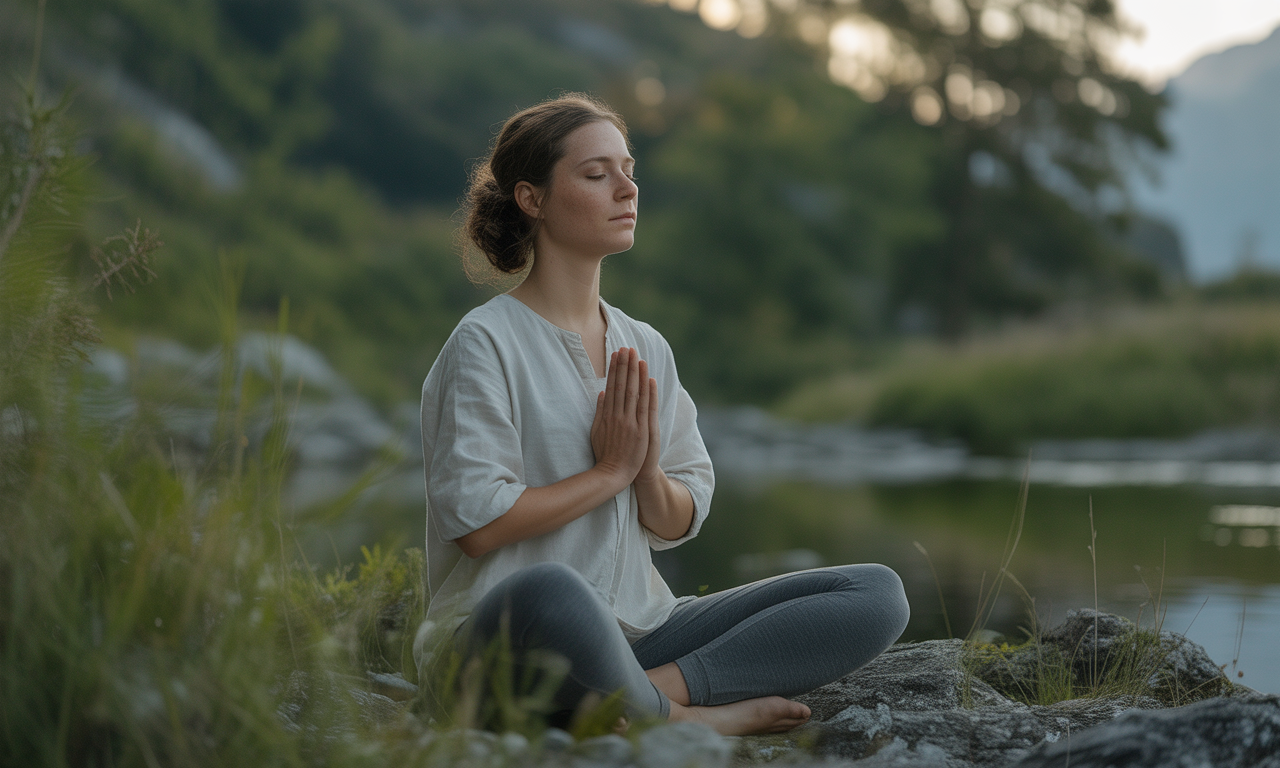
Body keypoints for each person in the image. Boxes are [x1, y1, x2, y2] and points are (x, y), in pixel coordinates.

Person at [417, 93, 910, 736]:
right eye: (597, 175)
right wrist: (611, 471)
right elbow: (477, 526)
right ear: (531, 198)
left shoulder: (643, 345)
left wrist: (646, 474)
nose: (627, 189)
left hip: (643, 633)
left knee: (875, 592)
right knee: (554, 590)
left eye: (629, 170)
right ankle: (684, 720)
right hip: (510, 639)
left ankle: (649, 697)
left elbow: (680, 517)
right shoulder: (487, 341)